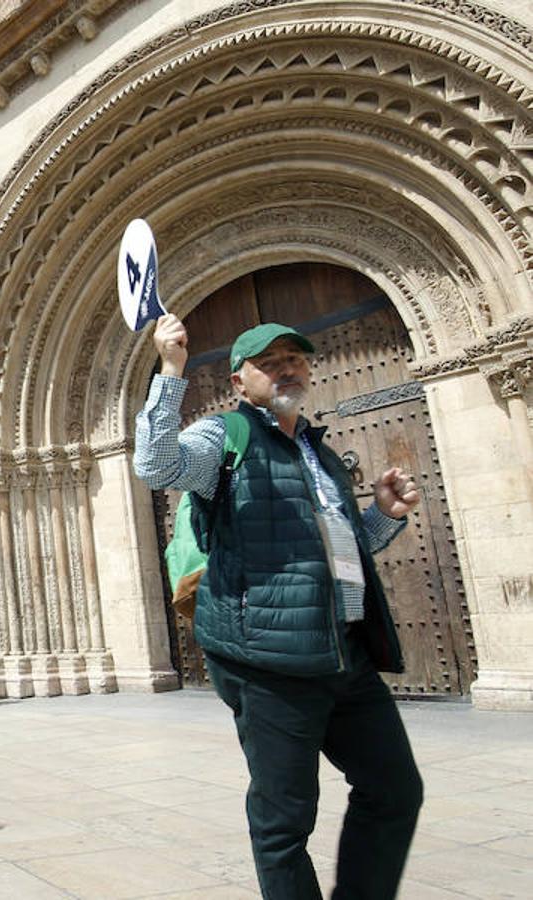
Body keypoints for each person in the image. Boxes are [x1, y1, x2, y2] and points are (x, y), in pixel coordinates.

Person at [133, 315, 424, 899]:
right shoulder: (225, 438)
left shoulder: (321, 454)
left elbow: (342, 552)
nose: (286, 367)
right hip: (268, 663)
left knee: (395, 790)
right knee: (285, 821)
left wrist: (382, 516)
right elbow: (157, 466)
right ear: (240, 384)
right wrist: (170, 370)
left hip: (345, 656)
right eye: (268, 362)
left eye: (295, 357)